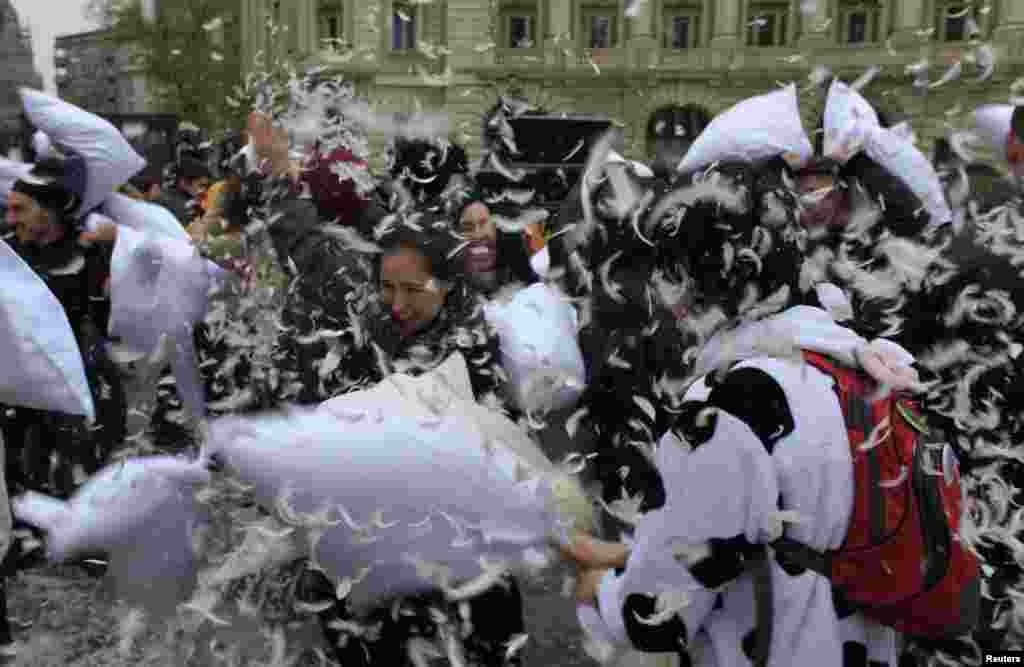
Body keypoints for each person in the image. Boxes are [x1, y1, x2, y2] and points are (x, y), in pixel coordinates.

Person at [1, 154, 125, 498]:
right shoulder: (7, 256)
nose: (10, 218)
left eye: (20, 209)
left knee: (84, 491)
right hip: (19, 400)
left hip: (80, 390)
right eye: (9, 209)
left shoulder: (91, 252)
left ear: (49, 210)